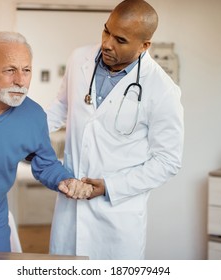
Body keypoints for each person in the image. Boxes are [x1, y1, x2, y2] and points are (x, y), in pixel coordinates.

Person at [46, 0, 184, 259]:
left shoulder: (162, 89)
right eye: (106, 31)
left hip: (117, 217)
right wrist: (21, 132)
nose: (107, 43)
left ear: (144, 46)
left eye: (120, 40)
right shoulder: (79, 59)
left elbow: (168, 161)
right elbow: (60, 108)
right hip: (70, 209)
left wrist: (109, 186)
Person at [0, 31, 92, 253]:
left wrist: (66, 180)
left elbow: (46, 163)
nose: (20, 81)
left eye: (26, 70)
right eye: (10, 70)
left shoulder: (33, 116)